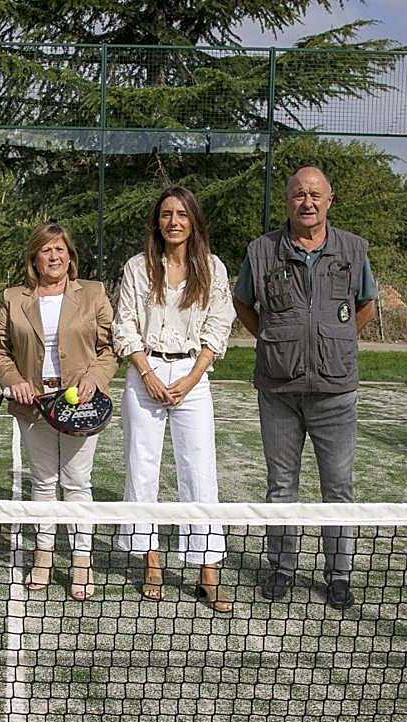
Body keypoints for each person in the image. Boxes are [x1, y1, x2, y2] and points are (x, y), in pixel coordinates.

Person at [232, 164, 378, 610]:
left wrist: (335, 342)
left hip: (336, 392)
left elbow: (366, 305)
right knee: (281, 486)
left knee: (338, 487)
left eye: (315, 195)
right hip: (278, 390)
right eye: (299, 194)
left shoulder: (354, 249)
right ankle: (282, 568)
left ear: (329, 201)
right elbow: (243, 303)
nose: (307, 202)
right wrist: (279, 341)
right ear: (288, 201)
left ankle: (338, 574)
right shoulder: (261, 251)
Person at [113, 185, 237, 612]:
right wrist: (146, 371)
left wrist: (191, 376)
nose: (174, 221)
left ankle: (208, 572)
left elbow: (219, 327)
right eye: (166, 214)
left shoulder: (214, 269)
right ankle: (151, 563)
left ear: (194, 221)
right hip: (143, 373)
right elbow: (124, 325)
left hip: (193, 377)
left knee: (199, 472)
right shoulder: (137, 267)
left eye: (182, 214)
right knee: (142, 468)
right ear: (157, 222)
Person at [0, 222, 118, 601]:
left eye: (60, 249)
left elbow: (110, 349)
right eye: (46, 250)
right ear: (35, 257)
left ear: (70, 256)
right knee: (43, 483)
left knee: (77, 484)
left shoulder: (93, 294)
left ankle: (81, 562)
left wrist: (94, 377)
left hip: (81, 406)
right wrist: (14, 380)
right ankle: (43, 557)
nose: (54, 256)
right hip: (35, 408)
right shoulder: (14, 298)